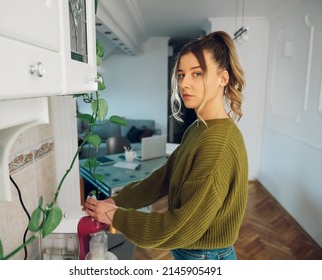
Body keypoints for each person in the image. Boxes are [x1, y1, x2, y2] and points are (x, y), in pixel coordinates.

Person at [84, 31, 248, 260]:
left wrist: (115, 215)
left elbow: (179, 226)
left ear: (223, 78)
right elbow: (163, 178)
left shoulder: (217, 144)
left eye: (197, 74)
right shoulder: (199, 128)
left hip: (205, 256)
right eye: (181, 74)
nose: (184, 84)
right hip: (192, 250)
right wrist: (117, 201)